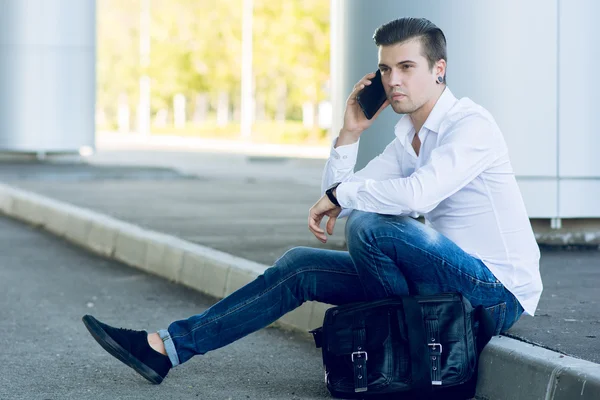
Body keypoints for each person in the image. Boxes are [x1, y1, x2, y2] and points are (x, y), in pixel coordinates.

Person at [82, 17, 542, 386]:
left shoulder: (470, 126)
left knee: (370, 226)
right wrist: (349, 133)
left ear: (438, 69)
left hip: (495, 291)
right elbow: (340, 193)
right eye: (385, 69)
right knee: (301, 264)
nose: (393, 80)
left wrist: (342, 196)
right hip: (443, 284)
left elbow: (417, 194)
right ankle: (166, 348)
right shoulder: (408, 138)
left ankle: (401, 349)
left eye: (406, 68)